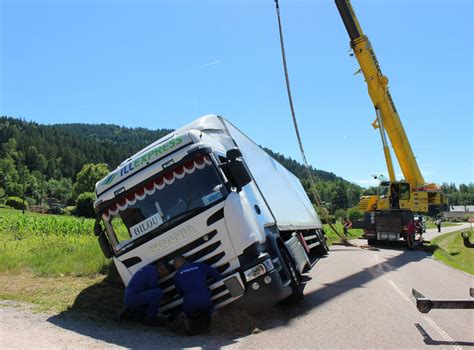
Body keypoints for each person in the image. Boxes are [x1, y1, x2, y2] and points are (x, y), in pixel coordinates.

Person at [173, 255, 221, 334]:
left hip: (189, 302)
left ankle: (189, 329)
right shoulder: (199, 265)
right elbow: (215, 274)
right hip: (205, 298)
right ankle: (217, 327)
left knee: (186, 315)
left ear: (177, 264)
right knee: (212, 310)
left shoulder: (176, 275)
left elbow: (180, 293)